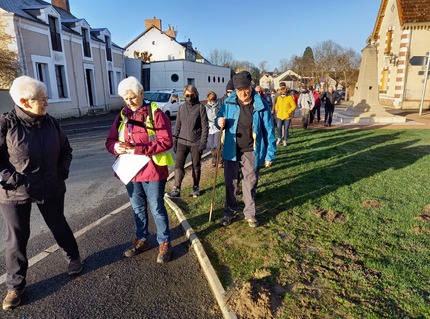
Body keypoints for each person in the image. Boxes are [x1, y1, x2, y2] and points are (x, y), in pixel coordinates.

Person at [0, 76, 82, 311]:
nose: (47, 102)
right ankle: (15, 286)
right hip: (14, 192)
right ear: (25, 101)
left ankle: (73, 257)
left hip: (51, 186)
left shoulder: (52, 123)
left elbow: (66, 150)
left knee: (59, 225)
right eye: (42, 99)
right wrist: (11, 178)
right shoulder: (6, 124)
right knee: (17, 238)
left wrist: (61, 172)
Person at [105, 76, 174, 263]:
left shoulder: (155, 113)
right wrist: (115, 148)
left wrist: (138, 149)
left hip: (153, 170)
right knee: (137, 208)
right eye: (126, 99)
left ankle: (164, 241)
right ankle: (142, 239)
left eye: (133, 97)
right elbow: (110, 141)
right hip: (131, 171)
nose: (130, 102)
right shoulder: (123, 115)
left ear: (141, 93)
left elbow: (166, 141)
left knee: (157, 207)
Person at [216, 71, 276, 228]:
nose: (244, 92)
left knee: (249, 183)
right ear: (235, 90)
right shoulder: (228, 103)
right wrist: (219, 121)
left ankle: (250, 214)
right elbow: (219, 117)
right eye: (240, 89)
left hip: (251, 150)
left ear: (251, 86)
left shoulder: (261, 105)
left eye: (246, 88)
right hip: (231, 149)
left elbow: (269, 131)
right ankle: (230, 211)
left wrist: (270, 154)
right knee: (231, 183)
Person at [166, 85, 208, 198]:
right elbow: (178, 126)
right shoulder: (181, 108)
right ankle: (176, 188)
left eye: (191, 95)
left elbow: (205, 127)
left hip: (196, 143)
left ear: (196, 95)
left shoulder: (200, 108)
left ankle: (195, 187)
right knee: (178, 165)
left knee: (196, 166)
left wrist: (203, 142)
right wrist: (175, 140)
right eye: (187, 95)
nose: (189, 97)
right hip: (182, 142)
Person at [204, 91, 223, 167]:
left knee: (217, 144)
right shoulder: (205, 107)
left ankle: (220, 160)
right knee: (211, 144)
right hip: (209, 128)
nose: (210, 102)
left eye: (212, 101)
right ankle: (214, 159)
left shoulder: (218, 106)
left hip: (217, 127)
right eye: (209, 100)